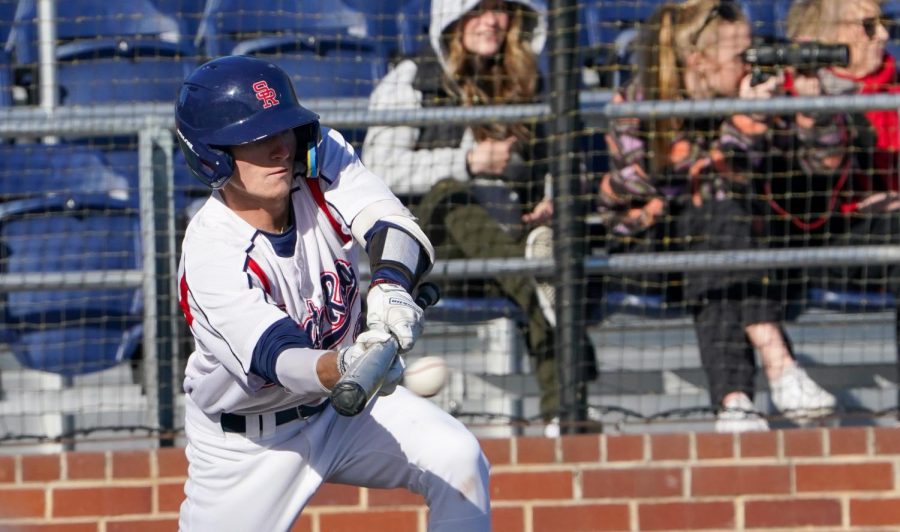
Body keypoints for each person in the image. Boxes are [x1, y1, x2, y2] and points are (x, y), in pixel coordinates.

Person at [174, 55, 490, 531]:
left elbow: (396, 227)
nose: (280, 147)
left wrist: (390, 289)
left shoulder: (318, 159)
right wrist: (344, 366)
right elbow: (280, 360)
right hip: (246, 445)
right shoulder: (210, 253)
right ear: (212, 155)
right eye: (256, 139)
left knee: (457, 457)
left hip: (343, 414)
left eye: (284, 129)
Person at [599, 0, 837, 432]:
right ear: (699, 61)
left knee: (721, 227)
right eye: (739, 57)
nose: (751, 66)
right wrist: (740, 124)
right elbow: (655, 185)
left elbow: (825, 165)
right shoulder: (638, 100)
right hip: (651, 248)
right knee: (715, 205)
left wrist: (811, 107)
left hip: (743, 255)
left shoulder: (758, 93)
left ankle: (735, 402)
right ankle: (778, 359)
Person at [362, 0, 598, 432]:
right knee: (454, 197)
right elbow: (376, 168)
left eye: (502, 9)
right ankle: (544, 302)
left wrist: (551, 197)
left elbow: (561, 164)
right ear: (453, 16)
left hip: (503, 242)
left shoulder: (530, 82)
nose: (492, 21)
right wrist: (466, 161)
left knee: (542, 252)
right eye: (480, 9)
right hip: (427, 248)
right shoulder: (414, 76)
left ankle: (562, 417)